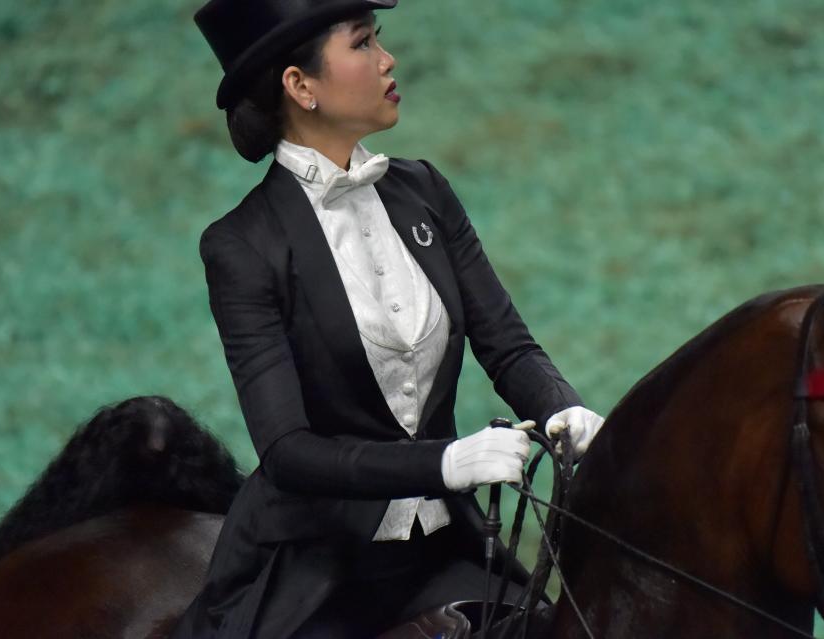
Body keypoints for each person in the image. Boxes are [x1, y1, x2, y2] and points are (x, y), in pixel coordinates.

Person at [171, 0, 606, 637]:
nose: (387, 59)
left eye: (380, 39)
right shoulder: (242, 246)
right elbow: (289, 452)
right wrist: (444, 463)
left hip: (440, 551)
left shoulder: (424, 190)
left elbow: (507, 346)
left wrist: (565, 408)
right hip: (317, 569)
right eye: (362, 44)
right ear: (301, 86)